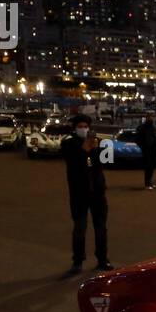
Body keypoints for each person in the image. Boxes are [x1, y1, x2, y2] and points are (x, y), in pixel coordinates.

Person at [61, 114, 113, 273]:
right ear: (75, 128)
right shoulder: (68, 144)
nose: (83, 129)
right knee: (79, 229)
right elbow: (72, 162)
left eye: (86, 126)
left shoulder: (96, 144)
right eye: (80, 126)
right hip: (79, 194)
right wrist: (84, 150)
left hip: (97, 193)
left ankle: (102, 259)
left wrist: (97, 150)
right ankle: (77, 261)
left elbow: (106, 163)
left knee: (101, 228)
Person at [136, 113, 156, 190]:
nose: (151, 118)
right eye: (150, 117)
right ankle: (147, 183)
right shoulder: (143, 127)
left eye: (152, 117)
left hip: (153, 149)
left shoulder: (152, 127)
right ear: (147, 118)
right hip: (147, 149)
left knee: (151, 167)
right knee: (148, 167)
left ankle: (150, 182)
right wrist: (143, 146)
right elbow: (138, 139)